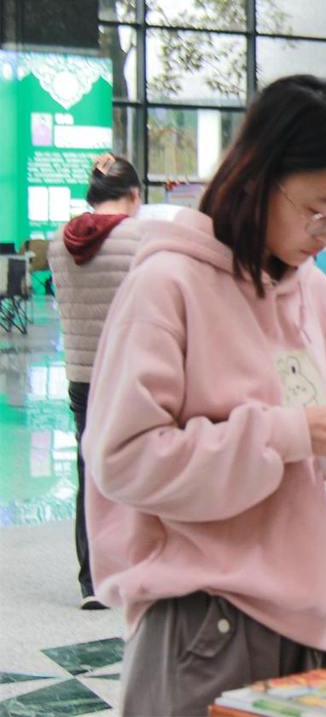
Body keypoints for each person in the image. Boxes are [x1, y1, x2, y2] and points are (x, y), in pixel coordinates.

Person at [81, 75, 326, 716]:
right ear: (258, 172)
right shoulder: (168, 286)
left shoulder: (317, 295)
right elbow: (124, 459)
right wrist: (286, 432)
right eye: (318, 209)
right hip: (206, 620)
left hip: (313, 621)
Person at [46, 153, 144, 610]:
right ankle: (131, 570)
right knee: (136, 471)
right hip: (129, 373)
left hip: (82, 375)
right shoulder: (140, 239)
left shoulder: (56, 242)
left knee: (89, 474)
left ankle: (92, 581)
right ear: (133, 195)